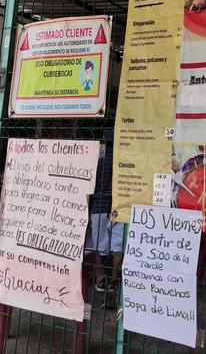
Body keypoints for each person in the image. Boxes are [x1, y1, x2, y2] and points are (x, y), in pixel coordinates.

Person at [85, 129, 123, 310]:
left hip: (99, 207)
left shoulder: (96, 160)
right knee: (117, 245)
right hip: (118, 207)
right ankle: (114, 282)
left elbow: (88, 186)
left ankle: (100, 280)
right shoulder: (122, 159)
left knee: (98, 246)